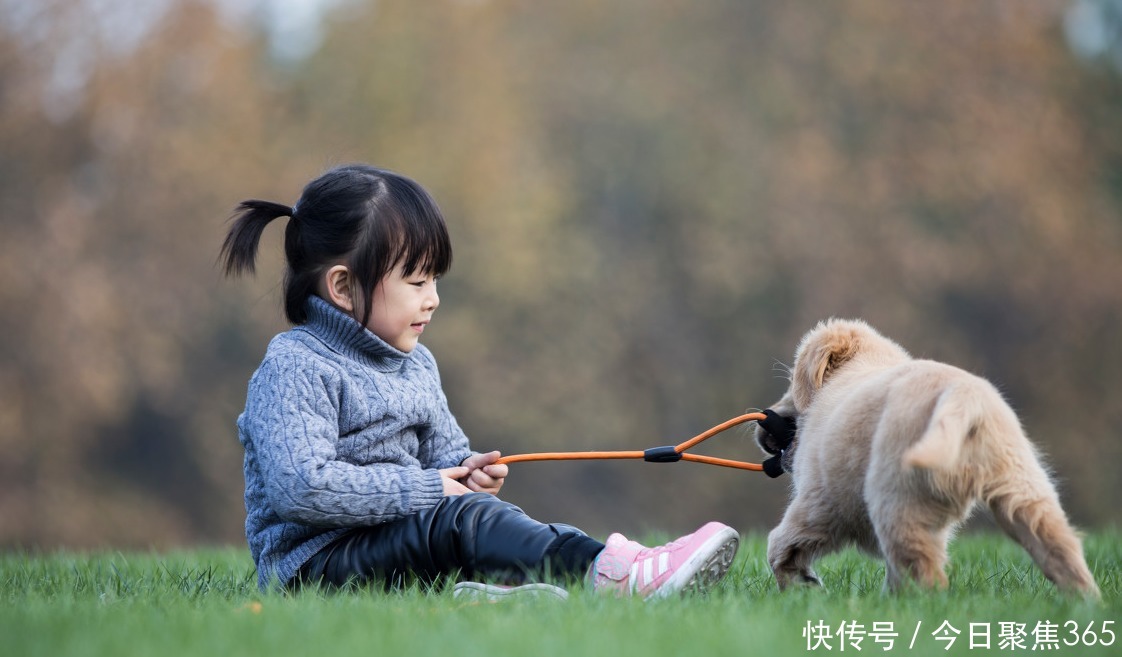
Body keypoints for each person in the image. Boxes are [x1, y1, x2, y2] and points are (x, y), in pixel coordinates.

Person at [220, 163, 740, 599]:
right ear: (341, 285)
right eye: (416, 280)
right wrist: (429, 489)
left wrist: (465, 475)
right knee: (459, 524)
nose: (433, 298)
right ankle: (612, 576)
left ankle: (600, 567)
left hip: (402, 541)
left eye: (436, 281)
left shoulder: (416, 364)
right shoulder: (296, 365)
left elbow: (444, 464)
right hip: (314, 567)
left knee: (485, 514)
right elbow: (301, 488)